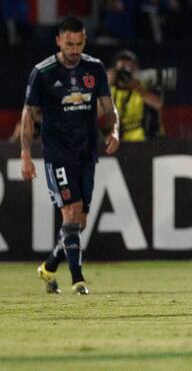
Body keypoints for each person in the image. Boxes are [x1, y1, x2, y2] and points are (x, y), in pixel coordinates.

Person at [21, 17, 120, 295]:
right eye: (69, 44)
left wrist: (114, 131)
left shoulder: (95, 68)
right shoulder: (43, 72)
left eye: (79, 44)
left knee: (79, 221)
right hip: (57, 152)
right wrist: (26, 154)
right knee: (71, 212)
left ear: (85, 41)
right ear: (58, 41)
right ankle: (78, 280)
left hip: (87, 151)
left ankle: (49, 267)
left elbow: (108, 107)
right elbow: (28, 116)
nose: (74, 50)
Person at [107, 50, 164, 141]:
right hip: (120, 139)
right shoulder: (110, 89)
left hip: (147, 139)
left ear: (136, 69)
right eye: (121, 70)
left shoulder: (146, 85)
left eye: (129, 69)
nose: (125, 74)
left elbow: (158, 104)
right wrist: (104, 85)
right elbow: (95, 112)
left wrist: (135, 86)